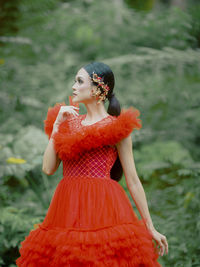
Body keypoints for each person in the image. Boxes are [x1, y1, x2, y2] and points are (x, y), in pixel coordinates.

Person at [16, 61, 168, 266]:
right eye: (74, 81)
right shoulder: (67, 123)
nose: (73, 86)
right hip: (67, 207)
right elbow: (48, 168)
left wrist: (150, 227)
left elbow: (132, 180)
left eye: (79, 81)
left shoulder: (117, 128)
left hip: (104, 207)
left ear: (98, 88)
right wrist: (57, 127)